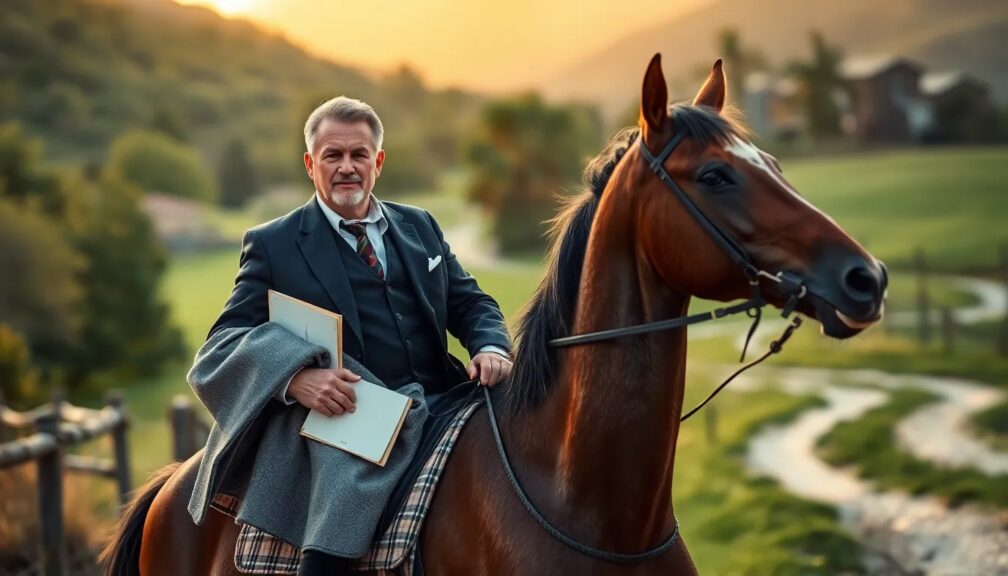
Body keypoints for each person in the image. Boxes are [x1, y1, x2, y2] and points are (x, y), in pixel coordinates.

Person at [205, 96, 513, 575]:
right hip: (354, 417)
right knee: (334, 537)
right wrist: (295, 380)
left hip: (447, 397)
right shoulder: (273, 244)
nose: (347, 167)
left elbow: (470, 302)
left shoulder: (420, 225)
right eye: (333, 155)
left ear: (378, 162)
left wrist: (490, 345)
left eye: (358, 154)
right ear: (311, 164)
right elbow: (220, 347)